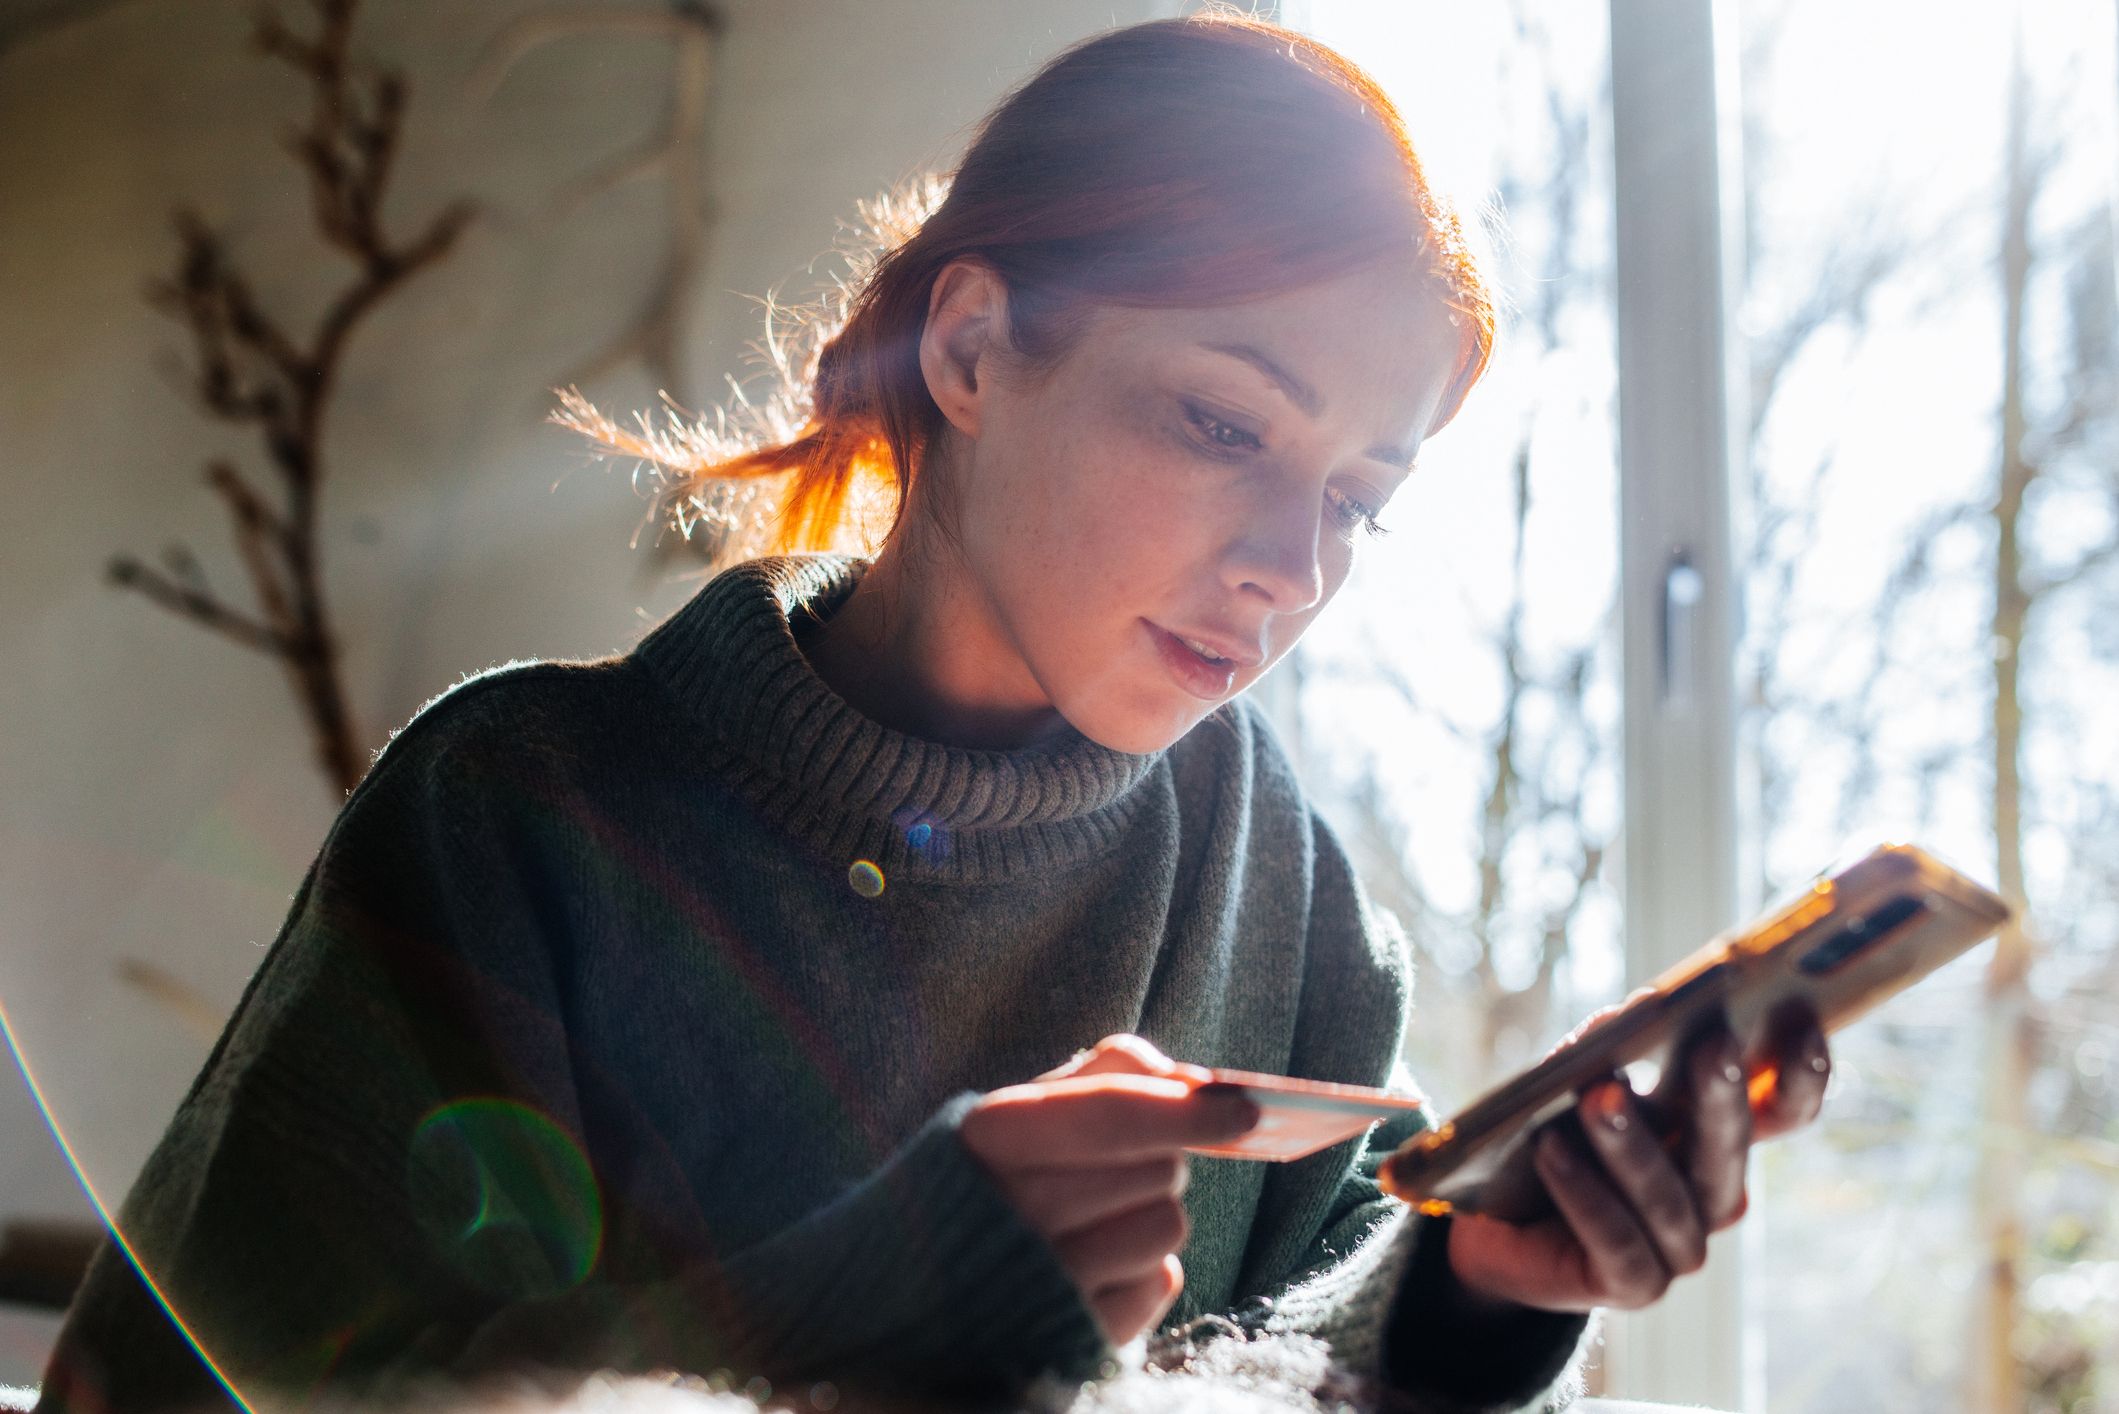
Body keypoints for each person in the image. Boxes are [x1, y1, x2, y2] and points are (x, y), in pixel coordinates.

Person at [35, 12, 1830, 1414]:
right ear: (970, 350)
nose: (1296, 562)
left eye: (1359, 493)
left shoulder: (1281, 882)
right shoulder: (518, 810)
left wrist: (1473, 1289)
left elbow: (1319, 1356)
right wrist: (887, 1305)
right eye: (1225, 425)